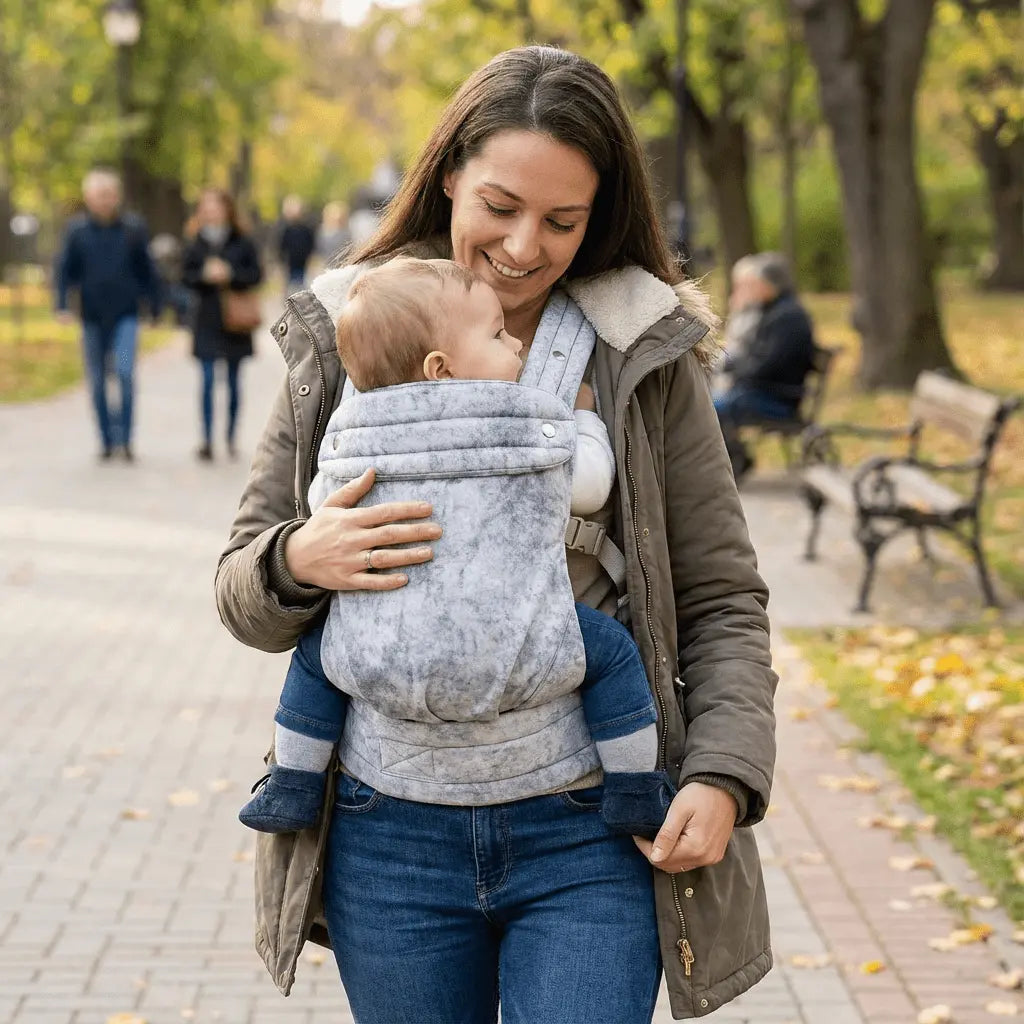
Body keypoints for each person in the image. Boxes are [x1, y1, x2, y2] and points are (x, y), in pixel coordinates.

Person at [216, 46, 777, 1023]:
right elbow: (241, 583)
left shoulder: (638, 348)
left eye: (563, 221)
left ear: (600, 214)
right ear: (446, 180)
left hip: (591, 827)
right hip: (385, 833)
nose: (523, 247)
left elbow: (720, 593)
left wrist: (726, 772)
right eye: (499, 207)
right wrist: (298, 558)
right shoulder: (353, 331)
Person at [238, 257, 675, 839]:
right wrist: (584, 422)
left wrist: (302, 551)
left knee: (319, 660)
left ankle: (294, 781)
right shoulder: (518, 423)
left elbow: (324, 505)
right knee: (612, 653)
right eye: (496, 335)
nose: (514, 341)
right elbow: (591, 486)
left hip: (383, 637)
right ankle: (634, 789)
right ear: (441, 368)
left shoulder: (351, 431)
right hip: (512, 635)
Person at [54, 168, 162, 461]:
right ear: (89, 198)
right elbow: (64, 271)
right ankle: (106, 439)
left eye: (110, 194)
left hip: (126, 315)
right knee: (98, 380)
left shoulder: (133, 228)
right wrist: (62, 305)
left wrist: (154, 307)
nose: (106, 200)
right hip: (91, 317)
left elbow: (147, 271)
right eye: (100, 195)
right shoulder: (77, 231)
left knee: (125, 374)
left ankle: (125, 439)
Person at [714, 252, 816, 482]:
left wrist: (737, 372)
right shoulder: (775, 312)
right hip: (766, 391)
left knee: (712, 406)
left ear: (771, 285)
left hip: (778, 398)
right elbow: (758, 357)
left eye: (758, 284)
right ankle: (735, 459)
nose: (754, 289)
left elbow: (767, 364)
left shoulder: (787, 318)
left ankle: (736, 460)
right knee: (712, 401)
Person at [181, 188, 262, 461]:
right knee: (205, 380)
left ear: (227, 209)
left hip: (235, 324)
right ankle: (205, 439)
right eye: (206, 206)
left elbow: (256, 275)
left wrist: (231, 274)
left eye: (216, 206)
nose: (211, 211)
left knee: (232, 381)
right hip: (205, 320)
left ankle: (230, 437)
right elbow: (184, 277)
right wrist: (204, 276)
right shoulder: (195, 242)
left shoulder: (242, 241)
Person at [277, 195, 316, 294]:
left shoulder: (305, 229)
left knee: (301, 287)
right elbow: (280, 247)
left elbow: (310, 244)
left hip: (303, 263)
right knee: (289, 288)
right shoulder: (284, 229)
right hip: (289, 263)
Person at [315, 201, 351, 268]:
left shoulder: (346, 233)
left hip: (342, 265)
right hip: (326, 265)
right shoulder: (322, 232)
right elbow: (319, 250)